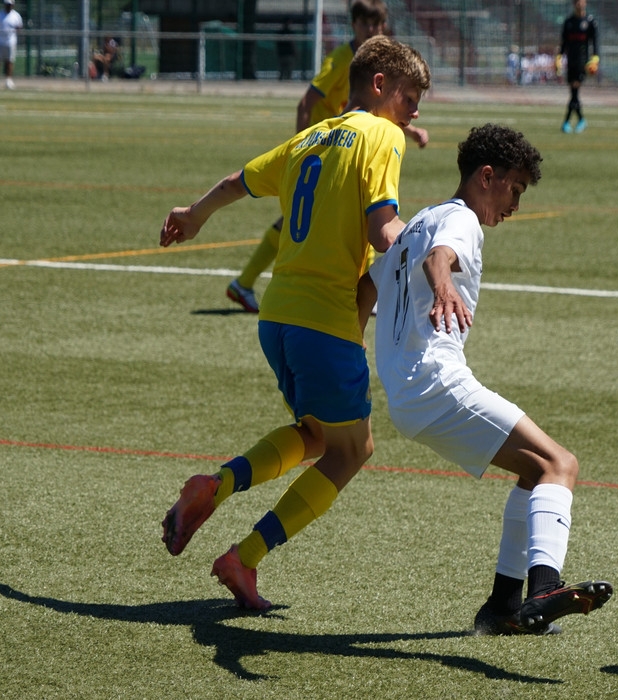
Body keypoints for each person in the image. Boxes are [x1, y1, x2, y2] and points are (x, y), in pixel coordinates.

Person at [159, 35, 431, 610]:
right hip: (326, 323)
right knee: (352, 450)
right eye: (410, 98)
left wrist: (193, 214)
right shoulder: (382, 135)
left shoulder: (310, 136)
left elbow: (238, 182)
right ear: (380, 85)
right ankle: (245, 556)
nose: (413, 113)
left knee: (315, 435)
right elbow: (383, 228)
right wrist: (430, 248)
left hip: (277, 318)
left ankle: (216, 485)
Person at [358, 124, 614, 635]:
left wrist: (350, 354)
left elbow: (366, 288)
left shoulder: (419, 222)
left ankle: (502, 608)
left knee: (533, 472)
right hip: (437, 384)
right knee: (559, 464)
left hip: (409, 395)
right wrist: (443, 285)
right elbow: (440, 258)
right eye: (514, 189)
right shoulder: (461, 221)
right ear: (487, 176)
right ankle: (545, 589)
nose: (515, 204)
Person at [226, 0, 429, 314]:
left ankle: (249, 283)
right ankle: (247, 282)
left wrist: (411, 131)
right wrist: (304, 145)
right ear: (354, 25)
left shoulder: (378, 70)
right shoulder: (341, 60)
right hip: (328, 150)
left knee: (347, 213)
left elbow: (375, 110)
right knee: (344, 215)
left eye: (377, 25)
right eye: (366, 24)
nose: (372, 30)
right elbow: (307, 102)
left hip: (344, 146)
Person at [557, 0, 598, 134]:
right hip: (571, 61)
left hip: (582, 62)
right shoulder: (568, 22)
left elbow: (595, 43)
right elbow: (564, 43)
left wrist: (594, 59)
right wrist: (559, 57)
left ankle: (567, 122)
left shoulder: (590, 22)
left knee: (574, 91)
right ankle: (580, 120)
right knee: (574, 93)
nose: (579, 4)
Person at [0, 0, 23, 91]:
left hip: (11, 42)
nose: (9, 6)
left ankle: (8, 80)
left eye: (10, 5)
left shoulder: (16, 15)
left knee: (9, 61)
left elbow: (19, 27)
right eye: (7, 5)